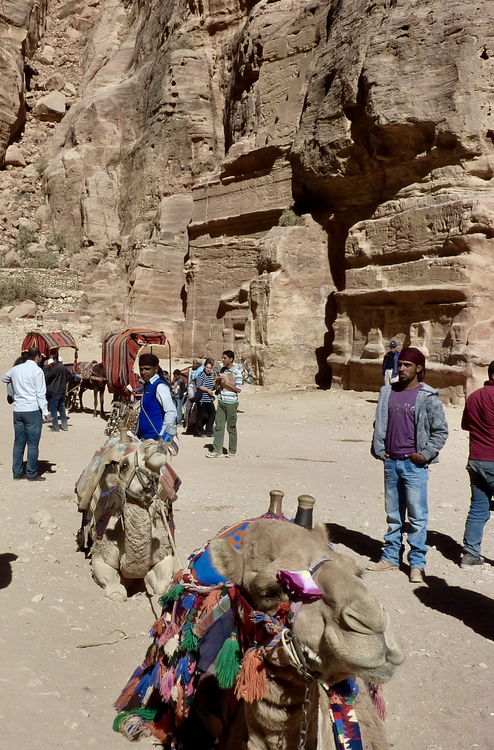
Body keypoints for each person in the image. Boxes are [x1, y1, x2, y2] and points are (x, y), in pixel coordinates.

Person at [367, 347, 448, 583]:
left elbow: (440, 430)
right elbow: (379, 423)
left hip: (414, 466)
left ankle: (417, 564)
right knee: (393, 515)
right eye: (399, 364)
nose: (400, 369)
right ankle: (391, 557)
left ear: (419, 368)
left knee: (417, 517)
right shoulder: (387, 393)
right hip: (391, 462)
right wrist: (378, 449)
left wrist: (425, 455)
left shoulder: (428, 397)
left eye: (407, 365)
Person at [459, 361, 494, 568]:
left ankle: (470, 554)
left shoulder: (473, 396)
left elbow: (465, 425)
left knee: (479, 508)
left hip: (476, 460)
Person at [2, 347, 52, 481]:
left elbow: (4, 378)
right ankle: (32, 473)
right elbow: (40, 394)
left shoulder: (16, 369)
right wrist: (47, 413)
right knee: (33, 444)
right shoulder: (37, 371)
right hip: (32, 410)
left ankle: (17, 473)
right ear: (37, 357)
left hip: (18, 410)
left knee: (18, 443)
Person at [207, 350, 242, 458]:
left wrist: (226, 383)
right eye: (222, 358)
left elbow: (238, 389)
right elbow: (218, 386)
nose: (222, 360)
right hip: (222, 401)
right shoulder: (222, 370)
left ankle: (232, 450)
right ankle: (217, 450)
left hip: (231, 403)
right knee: (219, 426)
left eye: (224, 358)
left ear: (231, 359)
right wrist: (218, 382)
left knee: (231, 427)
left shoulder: (237, 373)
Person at [136, 353, 177, 441]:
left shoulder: (159, 386)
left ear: (156, 369)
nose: (143, 372)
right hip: (146, 437)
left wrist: (162, 435)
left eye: (147, 369)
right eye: (141, 369)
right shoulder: (148, 385)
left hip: (154, 439)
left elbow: (171, 412)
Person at [44, 358, 70, 432]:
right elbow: (69, 376)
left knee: (53, 410)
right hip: (62, 392)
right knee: (62, 409)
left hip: (55, 392)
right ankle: (65, 426)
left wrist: (45, 367)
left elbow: (47, 375)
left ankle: (55, 427)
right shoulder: (63, 368)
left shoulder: (54, 368)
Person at [195, 358, 216, 437]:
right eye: (207, 367)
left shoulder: (210, 375)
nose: (208, 369)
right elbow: (198, 386)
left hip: (209, 399)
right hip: (202, 399)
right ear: (204, 367)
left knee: (212, 414)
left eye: (210, 368)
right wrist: (207, 390)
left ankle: (209, 430)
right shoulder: (201, 375)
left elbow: (211, 386)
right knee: (200, 416)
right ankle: (198, 431)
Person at [184, 358, 204, 432]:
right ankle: (187, 423)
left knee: (195, 409)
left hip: (197, 392)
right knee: (188, 408)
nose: (193, 365)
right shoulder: (190, 371)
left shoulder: (201, 372)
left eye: (194, 364)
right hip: (190, 391)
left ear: (198, 364)